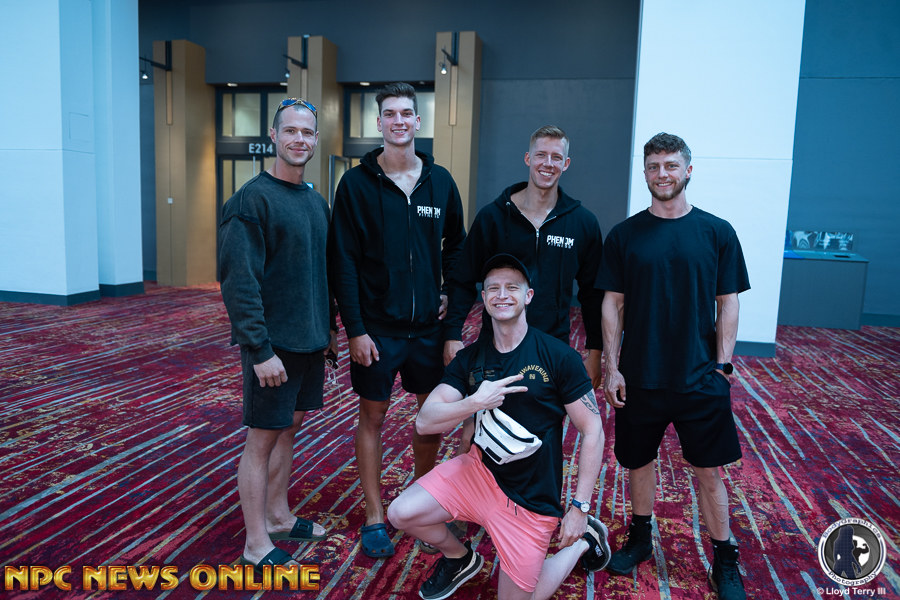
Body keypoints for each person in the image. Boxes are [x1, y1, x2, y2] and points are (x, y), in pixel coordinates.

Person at [387, 254, 610, 600]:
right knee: (400, 513)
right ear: (484, 297)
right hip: (477, 475)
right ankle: (460, 558)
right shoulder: (470, 359)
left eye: (512, 287)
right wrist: (475, 401)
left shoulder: (559, 357)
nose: (502, 295)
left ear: (528, 296)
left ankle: (584, 543)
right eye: (493, 288)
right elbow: (425, 421)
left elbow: (593, 430)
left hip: (531, 498)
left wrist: (579, 508)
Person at [596, 133, 750, 599]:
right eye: (653, 166)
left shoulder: (717, 232)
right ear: (645, 172)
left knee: (708, 471)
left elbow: (728, 302)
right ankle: (641, 537)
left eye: (670, 165)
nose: (662, 174)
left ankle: (724, 559)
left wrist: (723, 367)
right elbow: (612, 304)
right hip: (640, 376)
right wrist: (612, 368)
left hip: (699, 376)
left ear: (688, 170)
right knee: (637, 462)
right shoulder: (625, 235)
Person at [328, 82, 467, 558]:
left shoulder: (440, 182)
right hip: (378, 331)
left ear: (418, 121)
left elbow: (457, 248)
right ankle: (374, 516)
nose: (399, 121)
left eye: (406, 113)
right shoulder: (356, 185)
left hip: (428, 328)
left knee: (430, 420)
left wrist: (447, 296)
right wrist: (355, 329)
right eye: (390, 114)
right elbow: (343, 262)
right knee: (373, 417)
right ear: (380, 122)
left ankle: (422, 505)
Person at [219, 98, 337, 571]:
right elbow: (239, 282)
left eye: (307, 132)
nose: (299, 139)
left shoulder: (314, 201)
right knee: (262, 439)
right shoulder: (251, 200)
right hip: (272, 348)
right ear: (273, 136)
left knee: (289, 429)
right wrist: (260, 349)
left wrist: (328, 330)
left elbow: (320, 274)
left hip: (309, 342)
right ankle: (255, 543)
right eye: (290, 131)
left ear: (315, 139)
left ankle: (278, 515)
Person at [443, 126, 604, 388]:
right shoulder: (492, 217)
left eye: (556, 157)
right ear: (528, 158)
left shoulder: (582, 223)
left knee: (550, 413)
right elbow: (462, 279)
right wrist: (452, 334)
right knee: (490, 412)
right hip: (496, 344)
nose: (548, 163)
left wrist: (595, 352)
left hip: (553, 346)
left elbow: (592, 294)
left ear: (566, 164)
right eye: (541, 155)